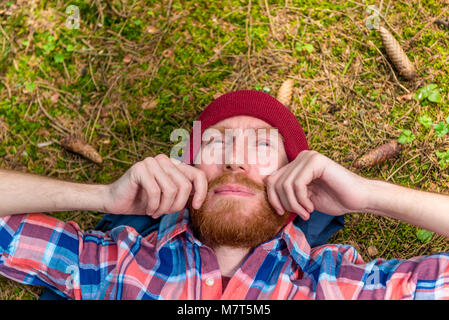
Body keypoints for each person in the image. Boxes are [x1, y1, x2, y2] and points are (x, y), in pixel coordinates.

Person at [1, 90, 449, 300]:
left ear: (295, 174)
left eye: (261, 145)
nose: (235, 161)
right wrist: (104, 198)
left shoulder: (337, 286)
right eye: (214, 144)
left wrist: (368, 195)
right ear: (187, 170)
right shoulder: (113, 265)